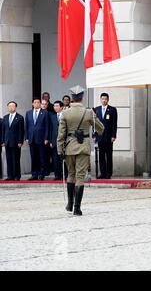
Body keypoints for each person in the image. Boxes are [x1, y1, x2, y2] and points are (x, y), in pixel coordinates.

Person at [57, 85, 104, 216]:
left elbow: (61, 134)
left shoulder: (65, 113)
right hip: (83, 147)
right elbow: (101, 128)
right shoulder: (88, 112)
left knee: (71, 174)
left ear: (71, 98)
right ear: (82, 97)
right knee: (80, 176)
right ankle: (77, 208)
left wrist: (60, 150)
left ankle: (70, 203)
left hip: (70, 147)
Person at [94, 93, 118, 179]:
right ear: (100, 99)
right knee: (101, 156)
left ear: (108, 100)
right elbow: (94, 124)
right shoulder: (96, 109)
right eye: (102, 99)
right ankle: (102, 173)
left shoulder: (112, 109)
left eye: (105, 99)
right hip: (100, 136)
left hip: (108, 136)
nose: (104, 100)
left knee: (108, 155)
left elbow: (114, 123)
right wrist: (94, 136)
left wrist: (113, 135)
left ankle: (109, 173)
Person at [25, 97, 49, 180]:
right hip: (31, 138)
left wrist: (46, 138)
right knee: (33, 157)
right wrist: (27, 137)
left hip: (41, 138)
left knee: (41, 157)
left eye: (38, 102)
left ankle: (41, 174)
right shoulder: (28, 113)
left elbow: (47, 126)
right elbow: (26, 126)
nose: (36, 104)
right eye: (35, 102)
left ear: (40, 104)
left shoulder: (45, 113)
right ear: (32, 104)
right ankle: (34, 174)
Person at [1, 101, 24, 181]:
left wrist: (20, 141)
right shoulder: (5, 117)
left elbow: (21, 131)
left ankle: (17, 176)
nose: (11, 107)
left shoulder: (20, 117)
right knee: (9, 159)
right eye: (9, 106)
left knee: (16, 159)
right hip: (7, 142)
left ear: (15, 107)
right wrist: (3, 141)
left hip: (16, 142)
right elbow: (3, 130)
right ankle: (10, 176)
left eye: (12, 106)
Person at [50, 100, 66, 180]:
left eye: (57, 106)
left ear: (61, 107)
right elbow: (50, 129)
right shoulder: (52, 116)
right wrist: (50, 140)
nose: (55, 107)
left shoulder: (65, 115)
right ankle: (57, 175)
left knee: (65, 159)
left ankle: (66, 175)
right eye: (54, 106)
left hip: (64, 141)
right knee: (55, 159)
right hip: (54, 141)